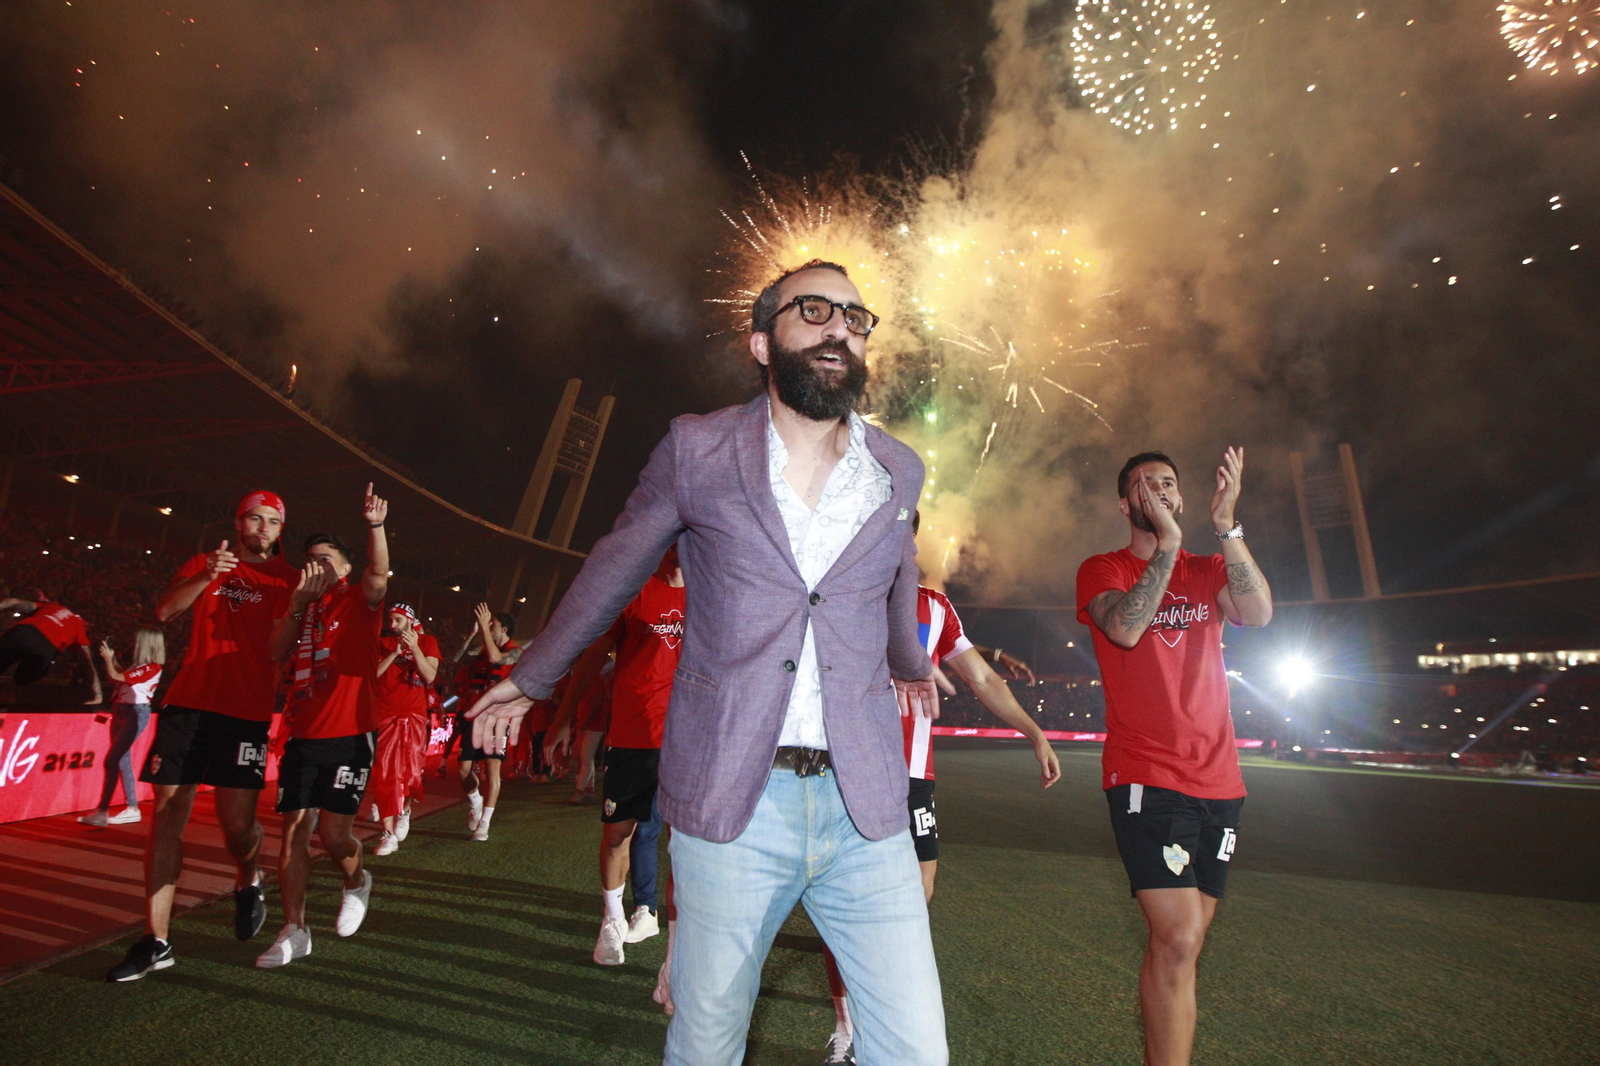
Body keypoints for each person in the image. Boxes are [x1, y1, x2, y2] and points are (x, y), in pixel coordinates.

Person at [470, 259, 945, 1065]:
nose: (841, 329)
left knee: (916, 1053)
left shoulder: (897, 468)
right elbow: (615, 564)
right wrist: (531, 676)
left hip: (866, 804)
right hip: (734, 801)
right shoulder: (696, 449)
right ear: (763, 342)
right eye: (818, 310)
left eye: (856, 319)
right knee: (706, 1045)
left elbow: (895, 580)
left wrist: (907, 660)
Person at [817, 513, 1063, 1062]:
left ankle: (878, 1006)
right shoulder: (838, 593)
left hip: (914, 778)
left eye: (902, 532)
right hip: (852, 770)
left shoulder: (935, 607)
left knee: (915, 898)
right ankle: (846, 1025)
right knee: (846, 906)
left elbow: (981, 677)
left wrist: (1032, 730)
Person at [1075, 449, 1273, 1066]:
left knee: (1182, 947)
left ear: (1184, 499)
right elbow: (1127, 629)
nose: (1159, 491)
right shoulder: (1101, 569)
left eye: (1168, 484)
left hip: (1220, 779)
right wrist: (1167, 545)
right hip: (1145, 775)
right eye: (1144, 485)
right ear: (1123, 504)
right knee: (1180, 935)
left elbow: (1260, 613)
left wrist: (1227, 526)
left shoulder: (1210, 567)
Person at [107, 492, 298, 982]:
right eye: (254, 518)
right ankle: (157, 941)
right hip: (186, 707)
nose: (262, 527)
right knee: (167, 818)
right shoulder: (205, 563)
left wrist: (297, 604)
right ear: (238, 522)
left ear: (280, 530)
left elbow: (279, 649)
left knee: (239, 829)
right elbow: (165, 611)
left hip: (245, 714)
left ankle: (247, 879)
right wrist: (207, 575)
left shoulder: (288, 578)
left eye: (272, 521)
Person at [256, 484, 390, 968]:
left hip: (351, 735)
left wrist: (375, 526)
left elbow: (379, 575)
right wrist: (296, 603)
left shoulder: (358, 600)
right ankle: (294, 929)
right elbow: (275, 651)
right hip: (304, 735)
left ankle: (357, 880)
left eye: (326, 559)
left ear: (345, 567)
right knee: (294, 831)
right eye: (310, 558)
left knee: (333, 837)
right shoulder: (301, 604)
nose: (316, 566)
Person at [545, 548, 685, 967]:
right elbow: (591, 658)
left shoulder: (712, 593)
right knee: (617, 833)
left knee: (686, 848)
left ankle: (676, 947)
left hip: (687, 742)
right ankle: (611, 921)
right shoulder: (632, 593)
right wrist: (563, 717)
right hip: (632, 738)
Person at [370, 603, 440, 856]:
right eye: (391, 620)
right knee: (385, 773)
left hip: (414, 715)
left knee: (411, 773)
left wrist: (415, 648)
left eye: (398, 620)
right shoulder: (383, 644)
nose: (393, 625)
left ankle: (405, 810)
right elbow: (372, 676)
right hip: (386, 714)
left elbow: (430, 675)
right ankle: (387, 834)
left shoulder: (428, 641)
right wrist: (394, 652)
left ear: (410, 621)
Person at [78, 628, 166, 828]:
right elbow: (117, 676)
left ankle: (120, 808)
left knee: (113, 760)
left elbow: (117, 677)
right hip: (122, 710)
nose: (134, 644)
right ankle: (115, 809)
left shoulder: (151, 667)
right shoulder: (140, 666)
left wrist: (109, 660)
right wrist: (110, 659)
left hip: (134, 712)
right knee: (120, 761)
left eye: (138, 641)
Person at [453, 604, 521, 841]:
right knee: (463, 769)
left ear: (503, 629)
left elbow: (496, 658)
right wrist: (474, 633)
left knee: (493, 769)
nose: (487, 626)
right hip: (475, 716)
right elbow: (455, 659)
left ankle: (485, 823)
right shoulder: (481, 650)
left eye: (491, 624)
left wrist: (483, 626)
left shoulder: (516, 652)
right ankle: (475, 801)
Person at [0, 592, 101, 702]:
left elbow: (15, 602)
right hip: (45, 647)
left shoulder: (54, 607)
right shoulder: (80, 627)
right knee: (23, 678)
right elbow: (87, 663)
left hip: (23, 631)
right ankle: (7, 698)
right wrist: (98, 695)